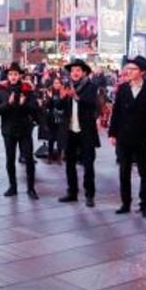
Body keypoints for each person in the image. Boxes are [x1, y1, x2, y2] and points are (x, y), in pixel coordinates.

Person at [108, 55, 146, 218]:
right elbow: (116, 112)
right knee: (124, 171)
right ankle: (125, 202)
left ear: (142, 72)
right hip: (124, 136)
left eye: (133, 69)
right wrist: (112, 133)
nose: (128, 71)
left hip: (142, 137)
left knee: (144, 172)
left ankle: (144, 204)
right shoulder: (123, 88)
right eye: (127, 68)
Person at [0, 62, 40, 198]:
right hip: (9, 130)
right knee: (10, 160)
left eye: (15, 74)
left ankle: (31, 188)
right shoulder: (1, 89)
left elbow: (35, 108)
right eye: (11, 74)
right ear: (8, 75)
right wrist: (9, 103)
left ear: (20, 76)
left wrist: (24, 104)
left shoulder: (27, 89)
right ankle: (12, 187)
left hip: (25, 129)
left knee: (29, 159)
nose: (13, 77)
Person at [57, 59, 100, 205]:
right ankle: (72, 192)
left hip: (86, 131)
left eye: (78, 70)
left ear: (84, 72)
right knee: (69, 163)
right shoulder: (67, 86)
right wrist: (61, 98)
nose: (74, 73)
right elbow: (60, 107)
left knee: (88, 164)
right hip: (70, 130)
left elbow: (93, 105)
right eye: (72, 70)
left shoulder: (91, 87)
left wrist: (76, 97)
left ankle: (89, 194)